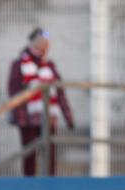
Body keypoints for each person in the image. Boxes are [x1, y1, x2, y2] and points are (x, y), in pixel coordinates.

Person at [8, 28, 74, 176]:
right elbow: (14, 91)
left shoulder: (49, 65)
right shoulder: (19, 64)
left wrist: (68, 117)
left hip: (48, 117)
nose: (44, 43)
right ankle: (29, 186)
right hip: (28, 118)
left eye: (46, 41)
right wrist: (19, 115)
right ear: (32, 42)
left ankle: (50, 185)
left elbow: (60, 92)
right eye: (40, 40)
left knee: (50, 153)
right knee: (29, 154)